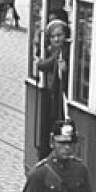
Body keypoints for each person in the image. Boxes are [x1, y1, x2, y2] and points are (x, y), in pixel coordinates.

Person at [35, 19, 70, 160]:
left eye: (59, 35)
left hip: (60, 97)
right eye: (53, 36)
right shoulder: (52, 50)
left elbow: (44, 65)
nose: (56, 39)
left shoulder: (62, 52)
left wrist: (39, 62)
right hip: (53, 94)